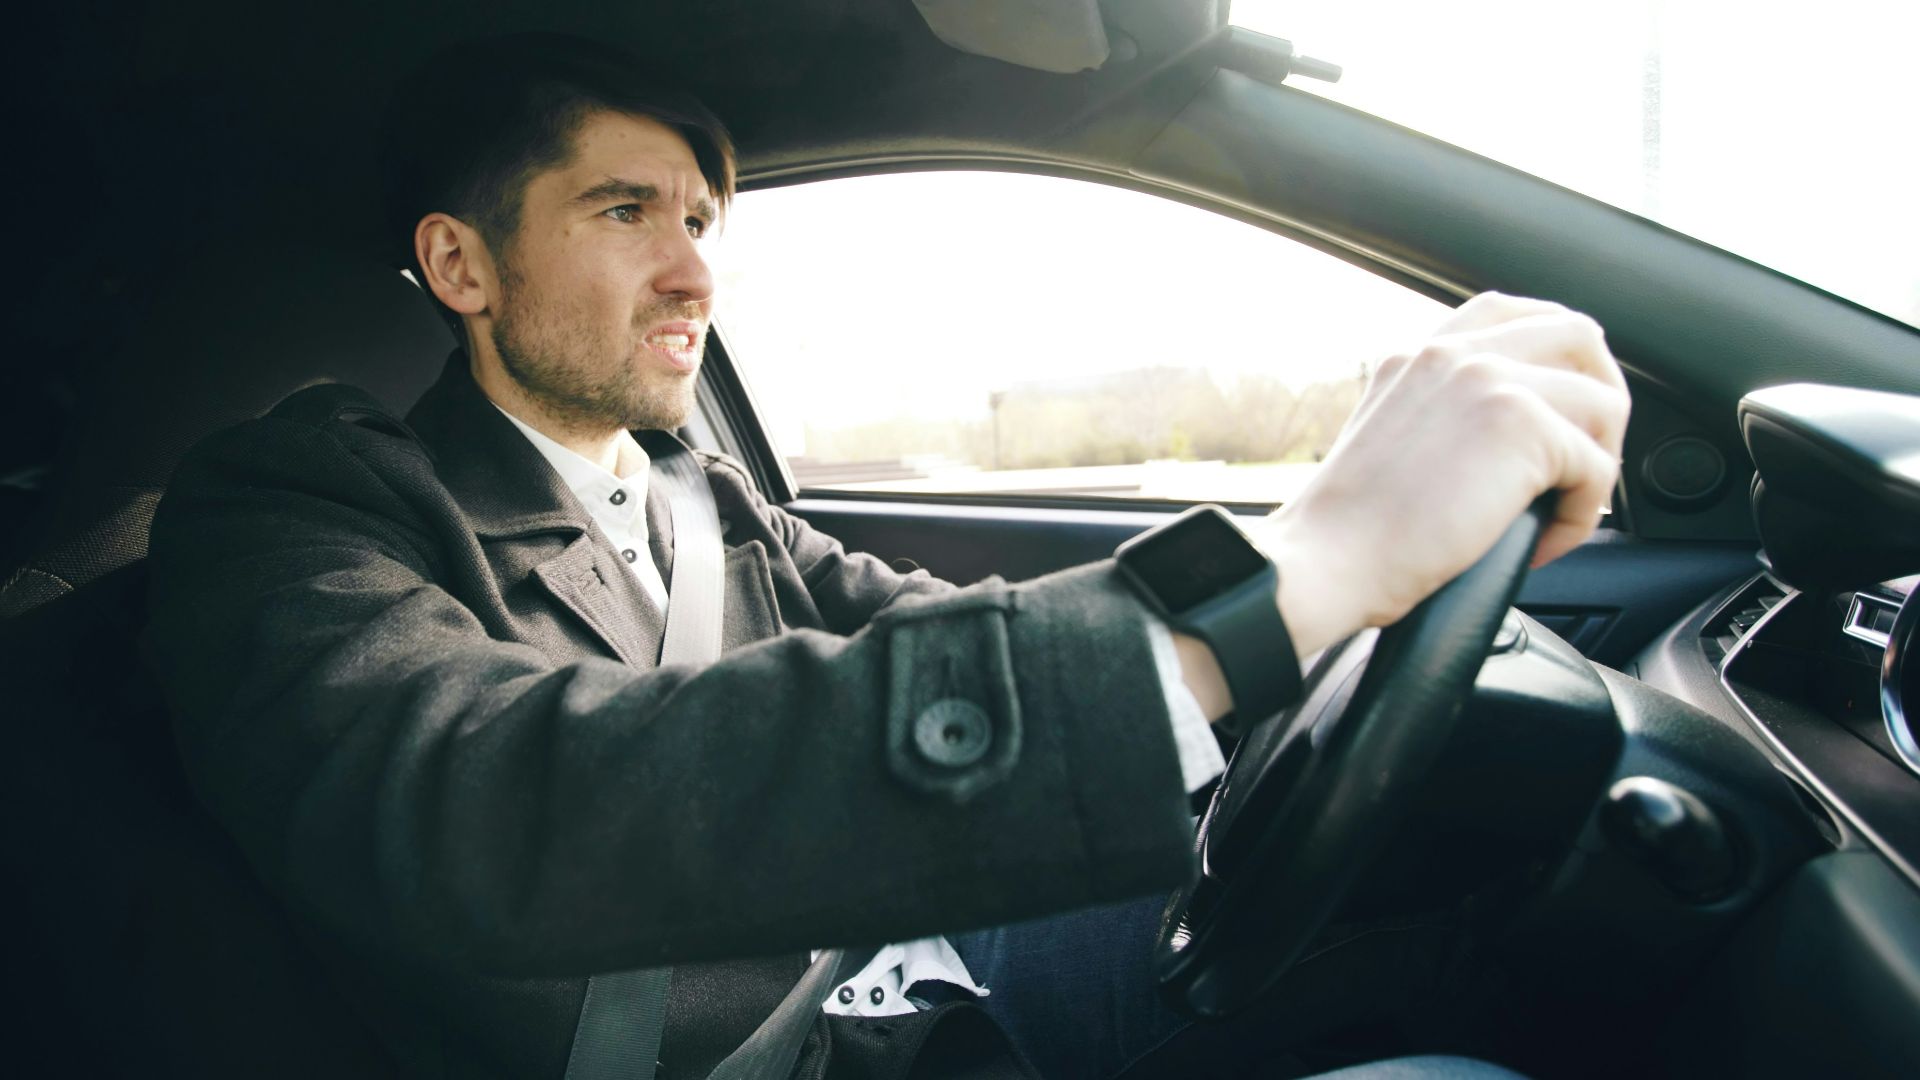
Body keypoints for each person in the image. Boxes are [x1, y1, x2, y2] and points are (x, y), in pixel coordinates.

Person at [143, 32, 1628, 1080]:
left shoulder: (695, 495)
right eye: (624, 212)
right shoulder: (290, 514)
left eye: (701, 219)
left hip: (890, 984)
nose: (693, 268)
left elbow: (942, 623)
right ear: (464, 265)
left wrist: (1268, 576)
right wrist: (1310, 570)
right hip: (778, 1051)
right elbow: (494, 802)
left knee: (1456, 940)